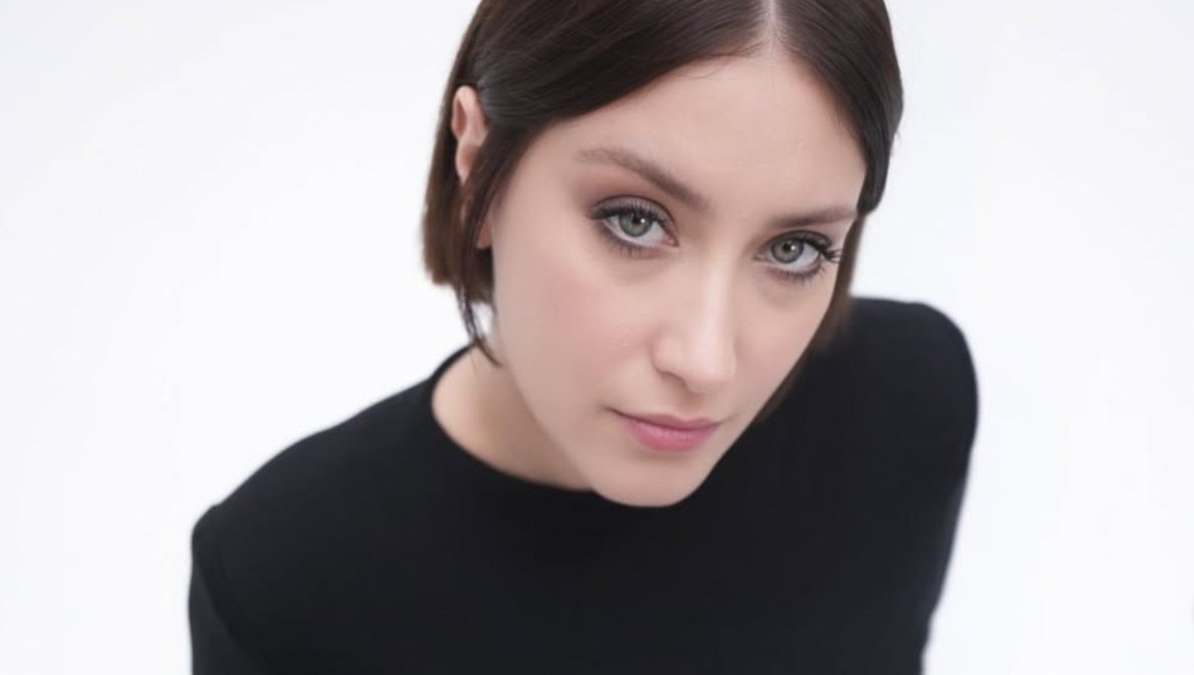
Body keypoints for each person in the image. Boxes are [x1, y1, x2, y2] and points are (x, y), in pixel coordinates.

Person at [188, 0, 979, 672]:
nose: (706, 362)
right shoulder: (281, 576)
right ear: (478, 160)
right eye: (635, 221)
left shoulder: (906, 409)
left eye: (794, 248)